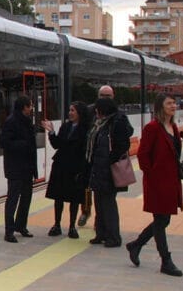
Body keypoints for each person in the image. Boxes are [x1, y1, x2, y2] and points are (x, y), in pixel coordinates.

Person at [126, 93, 183, 277]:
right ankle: (165, 261)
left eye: (174, 103)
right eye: (169, 103)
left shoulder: (173, 127)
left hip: (171, 180)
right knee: (161, 220)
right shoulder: (152, 128)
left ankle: (136, 245)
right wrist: (151, 174)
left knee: (164, 219)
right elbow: (143, 154)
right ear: (160, 106)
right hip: (157, 181)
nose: (173, 106)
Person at [86, 96, 132, 248]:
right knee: (99, 203)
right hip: (99, 169)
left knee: (108, 204)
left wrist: (109, 160)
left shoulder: (116, 123)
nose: (96, 112)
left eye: (97, 109)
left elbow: (121, 146)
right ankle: (101, 233)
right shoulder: (101, 124)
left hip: (108, 171)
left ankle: (113, 237)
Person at [43, 101, 89, 238]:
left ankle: (72, 226)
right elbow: (57, 144)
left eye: (73, 110)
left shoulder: (85, 129)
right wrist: (51, 132)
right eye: (70, 110)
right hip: (61, 166)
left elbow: (84, 150)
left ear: (79, 113)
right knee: (59, 197)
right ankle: (57, 224)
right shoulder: (66, 126)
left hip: (75, 168)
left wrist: (83, 170)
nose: (70, 113)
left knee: (74, 198)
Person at [0, 94, 37, 243]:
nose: (31, 109)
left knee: (26, 198)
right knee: (13, 199)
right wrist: (23, 145)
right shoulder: (11, 122)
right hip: (15, 168)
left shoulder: (28, 122)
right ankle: (9, 231)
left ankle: (21, 225)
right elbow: (4, 143)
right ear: (24, 107)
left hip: (27, 167)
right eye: (30, 106)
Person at [79, 85, 115, 227]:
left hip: (105, 160)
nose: (105, 99)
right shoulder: (90, 111)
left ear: (113, 97)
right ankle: (86, 211)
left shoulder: (116, 113)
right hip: (89, 157)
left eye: (108, 96)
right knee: (87, 187)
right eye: (102, 96)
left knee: (103, 192)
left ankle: (99, 221)